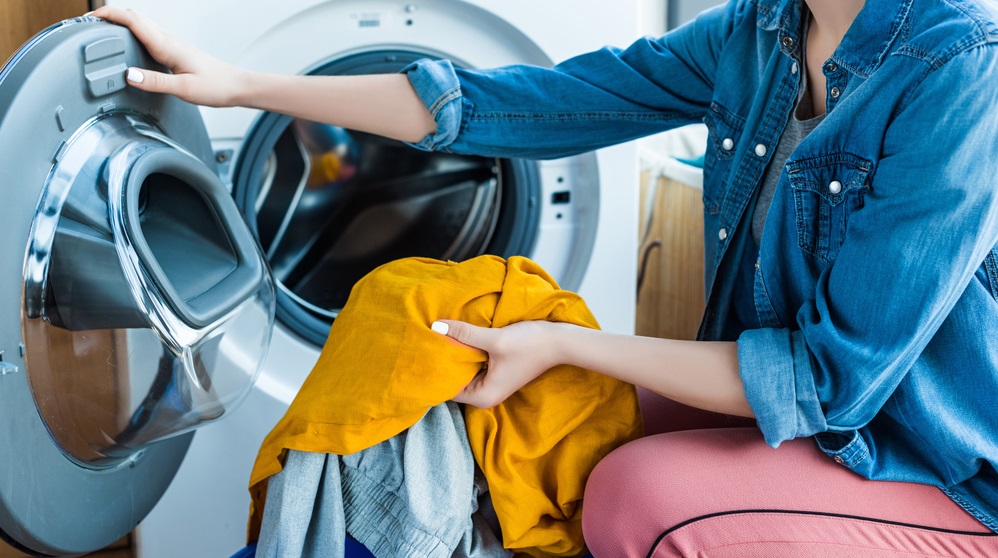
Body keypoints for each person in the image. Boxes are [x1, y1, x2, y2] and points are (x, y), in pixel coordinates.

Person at [93, 0, 998, 556]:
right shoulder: (761, 30)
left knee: (633, 495)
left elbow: (828, 381)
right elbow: (506, 104)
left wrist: (567, 339)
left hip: (930, 452)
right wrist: (240, 85)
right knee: (446, 334)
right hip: (797, 401)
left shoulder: (962, 65)